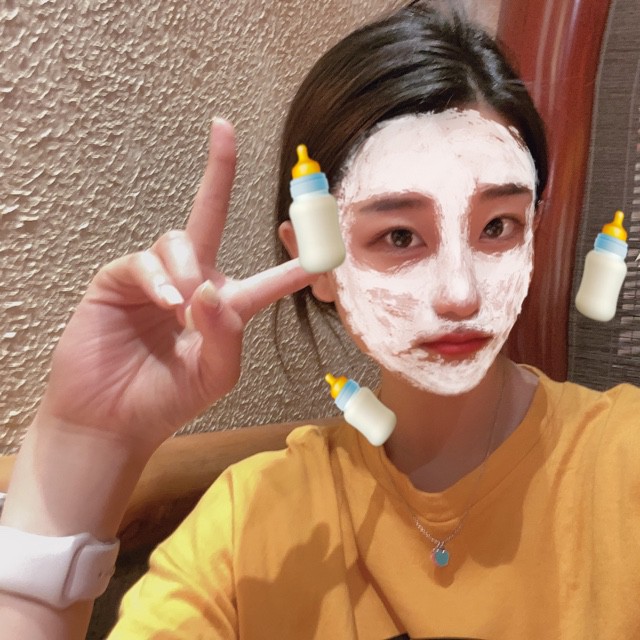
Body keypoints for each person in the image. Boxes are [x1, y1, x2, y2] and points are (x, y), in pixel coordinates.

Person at [1, 2, 639, 639]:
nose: (459, 294)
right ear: (319, 263)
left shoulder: (622, 459)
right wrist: (85, 442)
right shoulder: (251, 526)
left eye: (497, 227)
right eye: (399, 236)